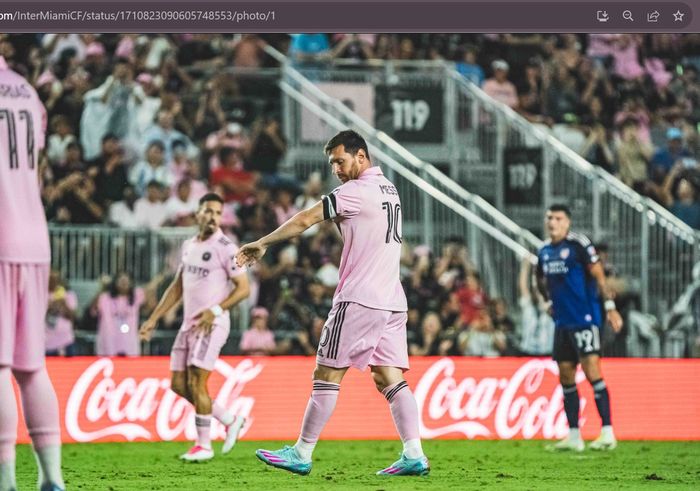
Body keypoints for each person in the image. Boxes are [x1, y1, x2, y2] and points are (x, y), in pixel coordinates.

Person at [236, 130, 430, 476]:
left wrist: (263, 243)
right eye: (331, 164)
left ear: (360, 156)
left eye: (340, 161)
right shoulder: (389, 189)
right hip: (391, 300)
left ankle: (302, 452)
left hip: (359, 298)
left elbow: (306, 219)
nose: (336, 169)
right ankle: (414, 453)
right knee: (388, 377)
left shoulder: (355, 191)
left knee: (326, 372)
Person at [139, 193, 250, 462]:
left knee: (197, 382)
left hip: (212, 324)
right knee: (178, 384)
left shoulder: (226, 247)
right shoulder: (189, 245)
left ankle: (203, 445)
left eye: (217, 213)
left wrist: (215, 311)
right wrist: (153, 318)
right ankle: (229, 418)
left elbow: (244, 289)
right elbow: (176, 287)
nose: (213, 217)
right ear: (197, 213)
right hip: (189, 324)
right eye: (208, 211)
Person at [0, 55, 66, 491]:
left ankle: (5, 480)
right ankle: (52, 479)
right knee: (31, 367)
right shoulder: (26, 90)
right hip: (33, 236)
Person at [536, 204, 623, 452]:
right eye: (549, 217)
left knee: (592, 369)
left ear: (567, 223)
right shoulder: (543, 251)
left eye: (558, 218)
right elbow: (539, 279)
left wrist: (609, 307)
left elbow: (599, 277)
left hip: (584, 319)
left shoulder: (578, 245)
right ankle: (574, 436)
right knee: (565, 374)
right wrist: (548, 302)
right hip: (562, 322)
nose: (552, 222)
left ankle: (607, 432)